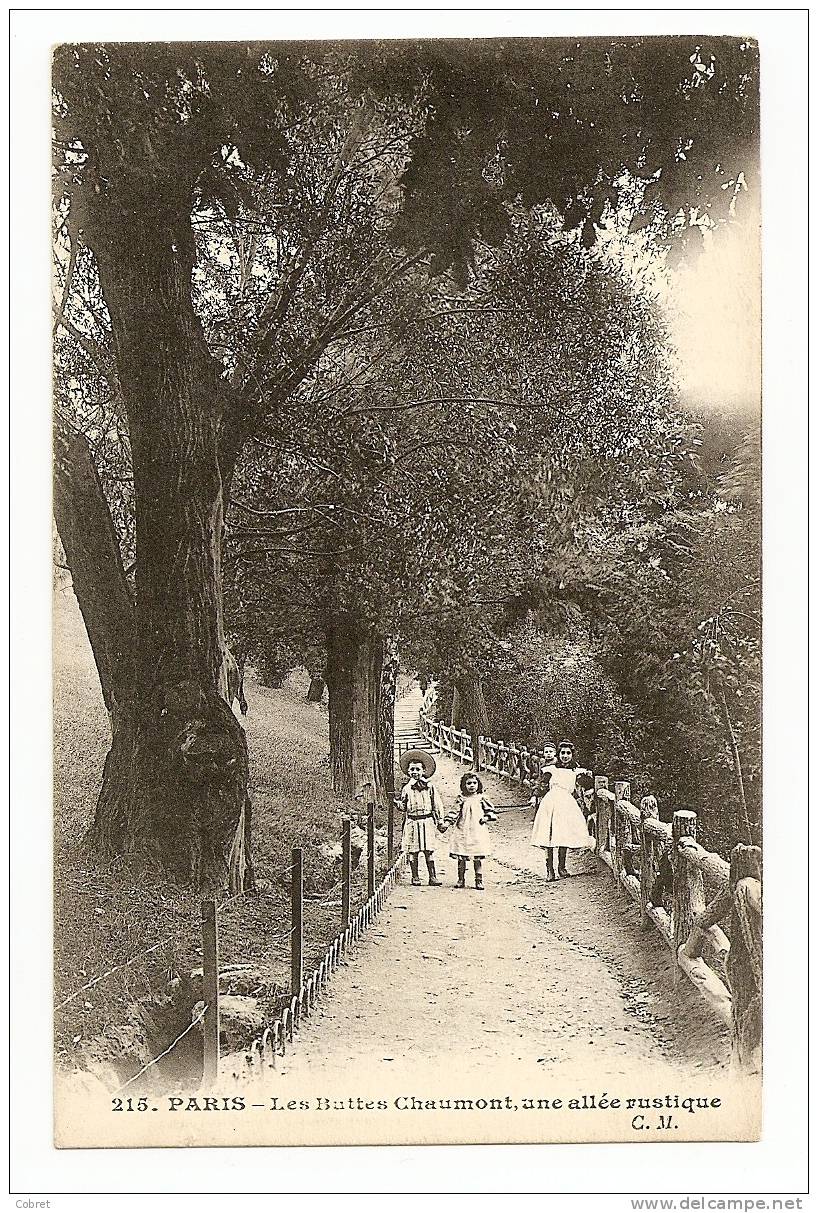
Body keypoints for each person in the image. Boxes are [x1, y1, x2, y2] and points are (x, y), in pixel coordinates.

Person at [530, 740, 593, 881]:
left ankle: (562, 867)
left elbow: (587, 784)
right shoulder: (551, 770)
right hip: (551, 802)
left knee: (563, 834)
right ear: (558, 754)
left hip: (566, 804)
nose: (565, 756)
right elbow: (542, 784)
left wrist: (589, 780)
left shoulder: (576, 771)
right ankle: (550, 870)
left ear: (572, 755)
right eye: (562, 753)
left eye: (568, 753)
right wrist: (535, 797)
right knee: (549, 836)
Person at [440, 772, 498, 890]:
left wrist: (486, 818)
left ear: (478, 784)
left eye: (474, 783)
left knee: (477, 856)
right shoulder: (461, 799)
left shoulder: (482, 798)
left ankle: (479, 880)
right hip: (463, 829)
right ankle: (461, 879)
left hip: (477, 830)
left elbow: (490, 811)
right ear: (464, 785)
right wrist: (447, 822)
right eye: (469, 783)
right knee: (462, 856)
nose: (472, 785)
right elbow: (454, 812)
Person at [397, 749, 444, 886]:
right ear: (408, 772)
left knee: (428, 850)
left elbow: (437, 804)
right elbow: (404, 806)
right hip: (412, 822)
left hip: (427, 821)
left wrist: (440, 820)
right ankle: (415, 876)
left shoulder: (430, 787)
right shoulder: (406, 788)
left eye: (418, 769)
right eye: (412, 769)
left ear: (424, 771)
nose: (415, 772)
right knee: (413, 850)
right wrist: (398, 804)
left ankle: (432, 877)